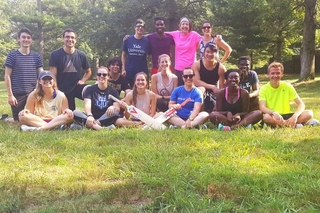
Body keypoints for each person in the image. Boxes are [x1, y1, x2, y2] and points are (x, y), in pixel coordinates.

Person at [4, 28, 43, 123]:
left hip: (33, 93)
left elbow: (41, 75)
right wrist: (10, 95)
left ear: (31, 40)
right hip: (17, 94)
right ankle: (6, 119)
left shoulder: (36, 56)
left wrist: (37, 90)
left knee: (36, 119)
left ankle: (7, 119)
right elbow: (7, 75)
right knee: (18, 121)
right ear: (18, 39)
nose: (26, 39)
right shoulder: (12, 55)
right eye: (23, 37)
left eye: (28, 38)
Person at [259, 62, 313, 128]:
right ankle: (295, 125)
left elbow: (301, 104)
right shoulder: (263, 89)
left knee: (309, 113)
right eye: (272, 73)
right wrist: (273, 112)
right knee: (266, 117)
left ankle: (285, 125)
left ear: (282, 74)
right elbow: (262, 107)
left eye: (278, 73)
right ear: (268, 75)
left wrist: (295, 116)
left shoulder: (287, 86)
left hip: (287, 115)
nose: (275, 76)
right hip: (273, 116)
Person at [49, 28, 92, 111]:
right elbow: (53, 74)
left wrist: (83, 80)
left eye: (72, 37)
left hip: (76, 87)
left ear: (75, 40)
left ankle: (93, 115)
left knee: (91, 91)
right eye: (67, 37)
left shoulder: (81, 55)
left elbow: (88, 72)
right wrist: (56, 89)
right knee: (70, 114)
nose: (70, 39)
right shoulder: (55, 55)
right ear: (63, 39)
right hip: (62, 89)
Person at [166, 17, 203, 86]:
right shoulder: (176, 34)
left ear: (189, 26)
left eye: (187, 24)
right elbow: (162, 34)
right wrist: (144, 37)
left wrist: (217, 38)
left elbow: (205, 40)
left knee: (192, 88)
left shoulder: (194, 35)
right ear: (180, 26)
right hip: (179, 68)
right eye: (183, 24)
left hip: (192, 68)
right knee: (181, 88)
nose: (185, 26)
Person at [192, 42, 226, 113]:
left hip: (213, 92)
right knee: (202, 89)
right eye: (207, 52)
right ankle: (198, 113)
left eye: (212, 52)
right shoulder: (197, 65)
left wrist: (217, 92)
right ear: (204, 53)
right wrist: (212, 86)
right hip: (199, 90)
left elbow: (222, 86)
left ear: (216, 54)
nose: (210, 54)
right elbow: (196, 82)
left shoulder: (221, 68)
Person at [121, 19, 150, 88]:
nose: (140, 28)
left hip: (142, 71)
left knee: (142, 92)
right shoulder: (128, 40)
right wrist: (123, 69)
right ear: (135, 27)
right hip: (130, 71)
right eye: (138, 26)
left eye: (142, 26)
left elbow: (150, 56)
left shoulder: (147, 41)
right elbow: (123, 54)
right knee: (129, 92)